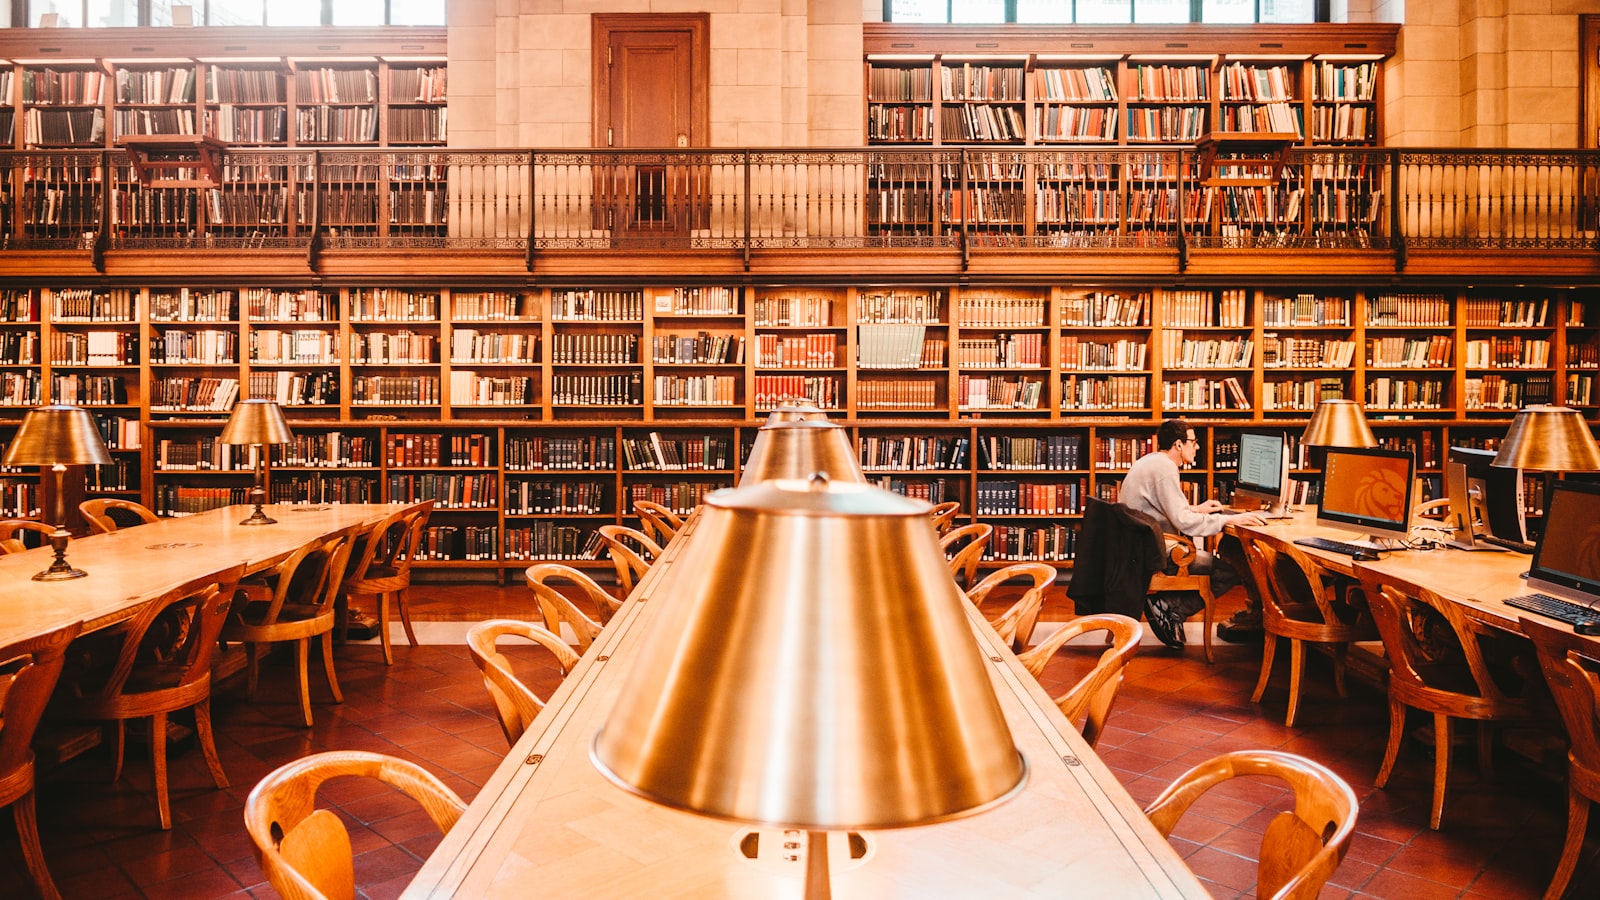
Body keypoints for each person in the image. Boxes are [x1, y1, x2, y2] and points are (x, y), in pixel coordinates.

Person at [1120, 419, 1262, 643]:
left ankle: (1168, 605)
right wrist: (1226, 521)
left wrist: (1196, 509)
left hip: (1139, 546)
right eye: (1193, 442)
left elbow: (1166, 510)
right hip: (1152, 551)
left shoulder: (1153, 461)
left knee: (1218, 565)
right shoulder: (1165, 469)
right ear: (1178, 444)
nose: (1197, 447)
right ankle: (1170, 607)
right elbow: (1184, 522)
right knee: (1227, 572)